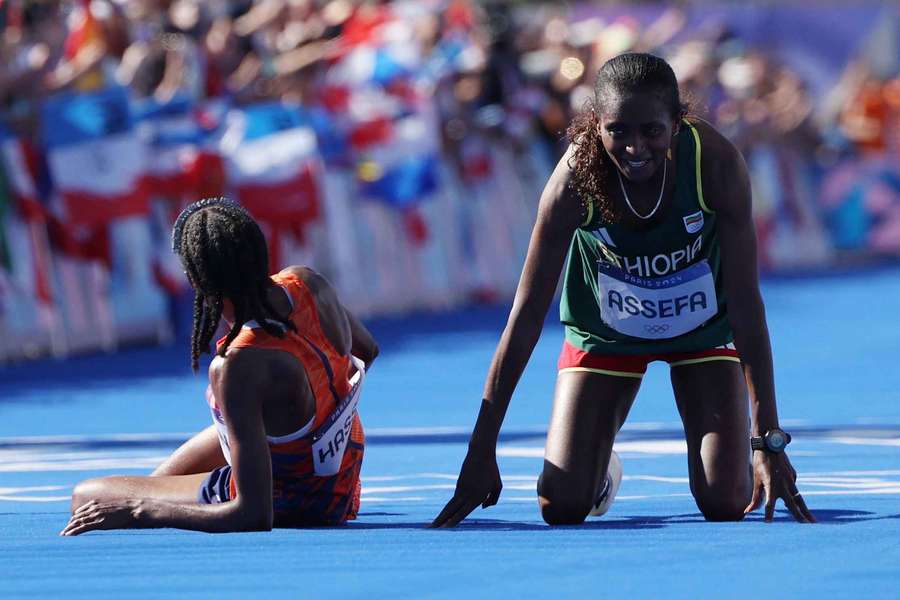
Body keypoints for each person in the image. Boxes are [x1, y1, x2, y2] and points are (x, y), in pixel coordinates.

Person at [431, 52, 815, 528]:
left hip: (702, 333)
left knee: (725, 502)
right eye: (618, 132)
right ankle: (599, 467)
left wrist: (767, 439)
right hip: (606, 334)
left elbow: (747, 306)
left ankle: (717, 453)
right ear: (596, 125)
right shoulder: (574, 180)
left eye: (651, 131)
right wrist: (480, 449)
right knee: (563, 507)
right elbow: (526, 315)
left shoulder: (715, 164)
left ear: (677, 124)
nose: (635, 148)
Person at [62, 198, 378, 535]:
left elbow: (253, 514)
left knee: (89, 496)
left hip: (299, 498)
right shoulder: (308, 284)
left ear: (197, 280)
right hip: (340, 474)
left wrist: (144, 510)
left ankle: (160, 496)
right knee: (152, 483)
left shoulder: (237, 365)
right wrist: (315, 421)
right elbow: (367, 352)